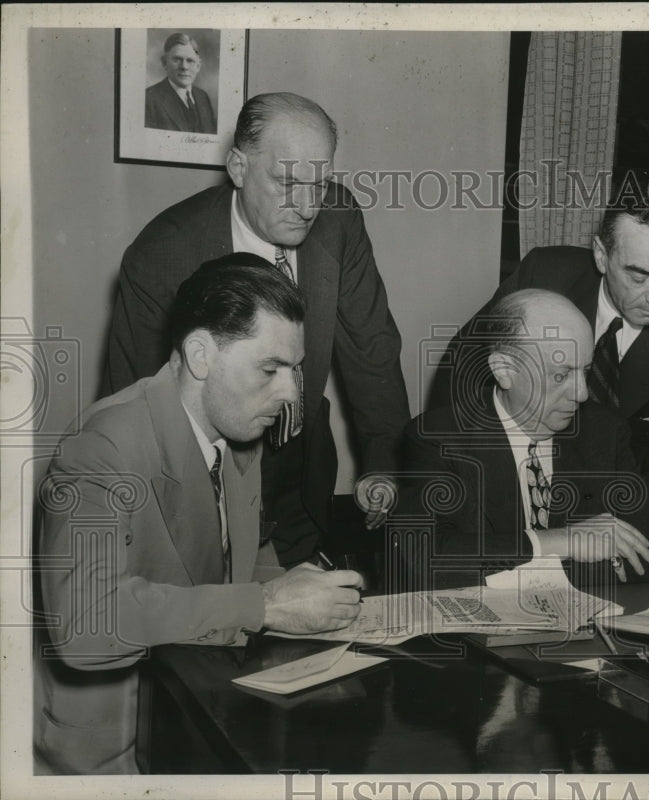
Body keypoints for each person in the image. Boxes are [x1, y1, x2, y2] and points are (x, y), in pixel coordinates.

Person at [35, 258, 364, 774]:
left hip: (204, 711)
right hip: (118, 749)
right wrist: (267, 605)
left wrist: (298, 594)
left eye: (294, 370)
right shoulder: (101, 448)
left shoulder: (238, 431)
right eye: (270, 369)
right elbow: (85, 625)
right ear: (200, 355)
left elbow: (241, 553)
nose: (290, 394)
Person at [105, 92, 410, 569]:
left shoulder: (339, 220)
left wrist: (383, 464)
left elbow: (372, 350)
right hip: (203, 483)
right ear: (238, 167)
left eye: (320, 183)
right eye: (287, 182)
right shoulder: (162, 252)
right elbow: (134, 397)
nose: (307, 206)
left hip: (300, 479)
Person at [431, 179, 649, 526]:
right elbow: (465, 366)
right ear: (601, 255)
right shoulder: (544, 275)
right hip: (503, 468)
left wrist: (640, 543)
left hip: (604, 495)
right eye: (639, 277)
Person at [398, 289, 649, 591]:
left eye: (585, 372)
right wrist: (562, 541)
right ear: (504, 370)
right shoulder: (439, 437)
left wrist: (518, 566)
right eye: (561, 375)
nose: (581, 393)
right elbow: (422, 560)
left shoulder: (603, 431)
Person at [144, 32, 217, 134]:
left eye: (190, 61)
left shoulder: (203, 97)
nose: (184, 67)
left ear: (198, 66)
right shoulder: (148, 99)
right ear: (164, 63)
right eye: (177, 59)